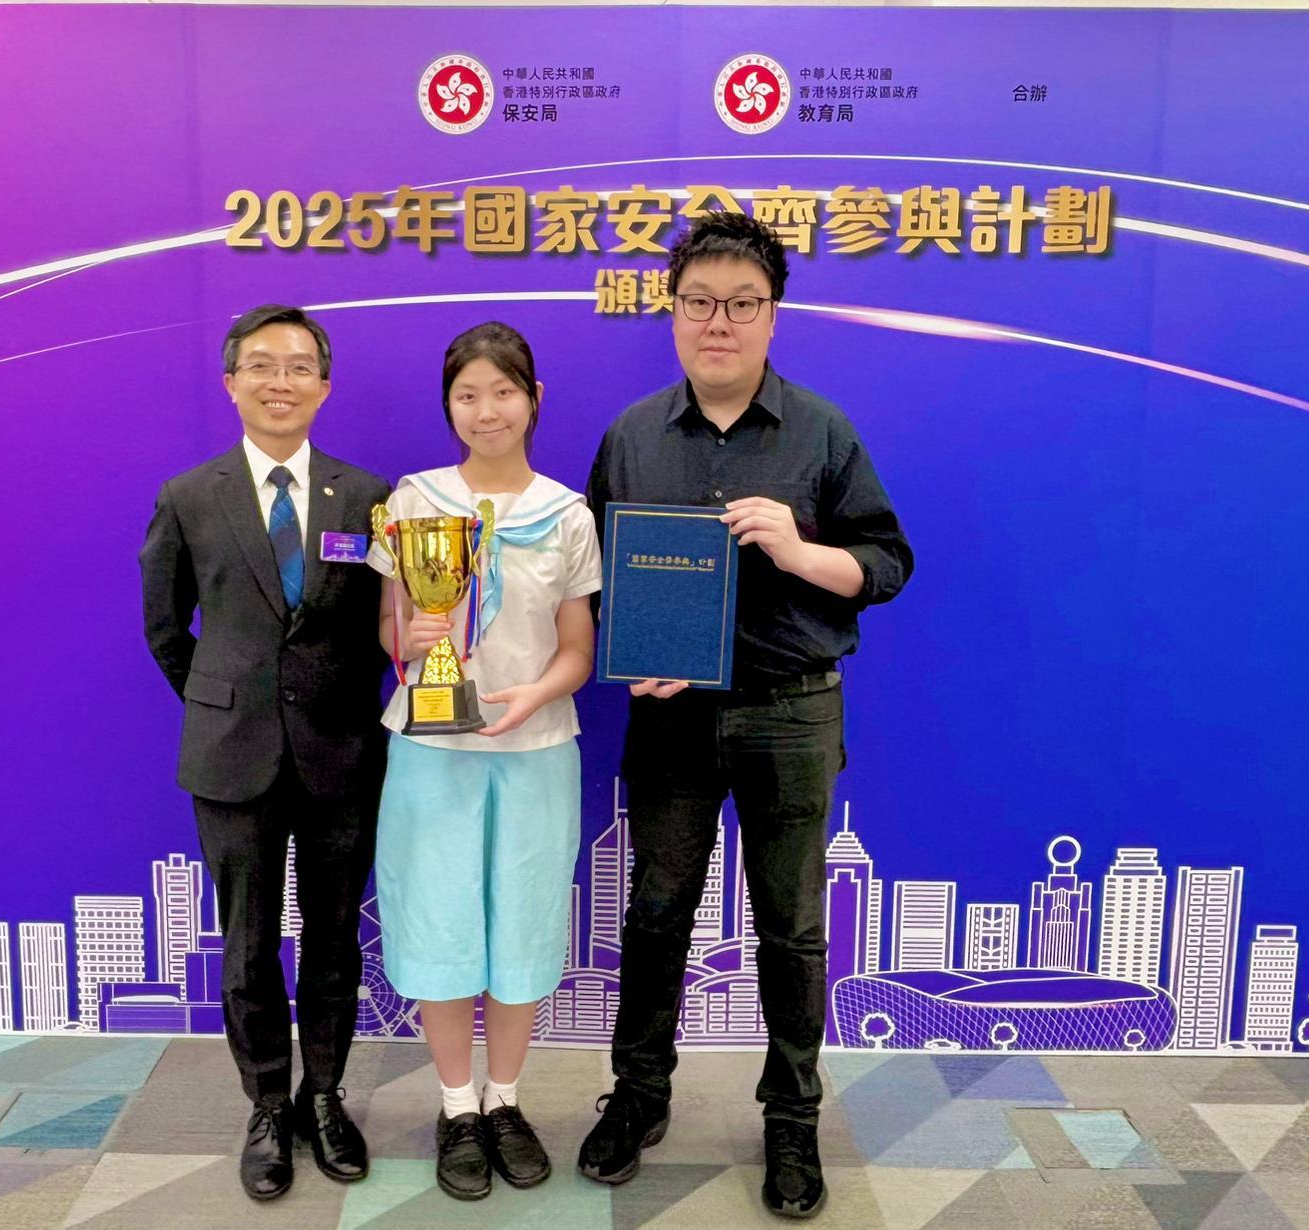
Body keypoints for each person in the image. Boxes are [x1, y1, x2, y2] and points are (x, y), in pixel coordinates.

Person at [579, 214, 914, 1220]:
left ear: (773, 316)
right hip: (671, 722)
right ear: (671, 310)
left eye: (741, 304)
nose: (717, 322)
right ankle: (638, 1096)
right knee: (654, 915)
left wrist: (800, 550)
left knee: (793, 930)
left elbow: (887, 565)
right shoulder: (632, 435)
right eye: (698, 302)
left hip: (790, 713)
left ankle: (792, 1119)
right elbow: (593, 575)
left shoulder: (822, 431)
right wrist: (628, 648)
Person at [140, 304, 389, 1201]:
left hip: (340, 750)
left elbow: (385, 625)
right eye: (261, 365)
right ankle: (267, 1106)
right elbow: (164, 628)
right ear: (231, 382)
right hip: (230, 753)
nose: (280, 381)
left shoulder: (367, 496)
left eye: (298, 367)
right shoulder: (189, 495)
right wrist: (224, 701)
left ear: (324, 386)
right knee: (247, 943)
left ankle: (324, 1097)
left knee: (333, 937)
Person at [366, 322, 601, 1201]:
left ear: (533, 400)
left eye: (503, 392)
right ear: (449, 405)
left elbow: (578, 648)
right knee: (439, 920)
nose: (486, 411)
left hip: (536, 750)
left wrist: (537, 694)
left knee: (523, 922)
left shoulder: (568, 514)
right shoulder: (414, 502)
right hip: (432, 750)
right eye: (467, 395)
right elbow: (389, 629)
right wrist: (411, 632)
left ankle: (505, 1100)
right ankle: (456, 1106)